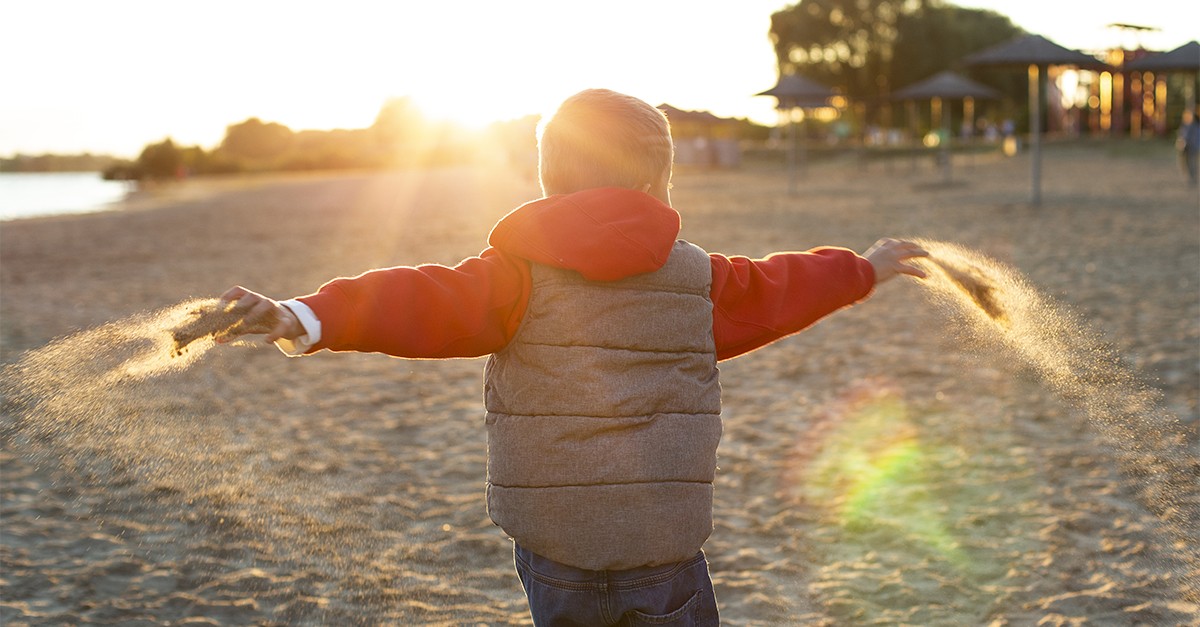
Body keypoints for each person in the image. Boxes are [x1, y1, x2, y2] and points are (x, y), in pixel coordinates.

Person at [218, 88, 927, 626]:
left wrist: (304, 314)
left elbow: (416, 300)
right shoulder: (701, 280)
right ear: (657, 182)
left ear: (550, 180)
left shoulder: (514, 276)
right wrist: (865, 267)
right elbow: (785, 286)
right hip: (664, 552)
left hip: (558, 554)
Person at [1178, 106, 1200, 187]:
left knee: (1192, 163)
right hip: (1186, 148)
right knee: (1187, 163)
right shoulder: (1185, 126)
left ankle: (1193, 178)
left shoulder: (1195, 126)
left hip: (1193, 148)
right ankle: (1191, 177)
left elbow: (1191, 138)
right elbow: (1182, 137)